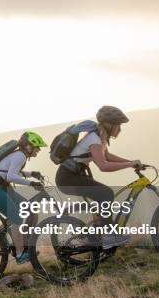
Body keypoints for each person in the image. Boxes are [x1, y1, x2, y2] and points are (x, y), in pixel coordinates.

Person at [55, 106, 142, 247]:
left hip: (76, 175)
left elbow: (107, 156)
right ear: (109, 125)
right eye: (118, 125)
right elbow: (104, 166)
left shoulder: (99, 137)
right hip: (67, 178)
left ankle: (94, 238)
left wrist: (131, 162)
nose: (120, 129)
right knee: (106, 193)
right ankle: (108, 236)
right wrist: (129, 164)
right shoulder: (94, 139)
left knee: (101, 200)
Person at [0, 131, 47, 264]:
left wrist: (32, 174)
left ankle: (20, 242)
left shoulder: (19, 155)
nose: (38, 150)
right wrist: (31, 183)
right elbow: (11, 177)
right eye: (37, 147)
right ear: (29, 146)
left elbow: (10, 171)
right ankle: (20, 254)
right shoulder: (20, 156)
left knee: (30, 210)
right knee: (16, 217)